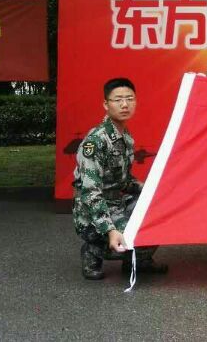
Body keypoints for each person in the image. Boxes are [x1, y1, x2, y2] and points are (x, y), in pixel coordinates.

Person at [72, 77, 168, 280]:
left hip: (117, 202)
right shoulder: (96, 142)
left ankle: (138, 260)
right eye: (118, 100)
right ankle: (93, 251)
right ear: (106, 104)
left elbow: (124, 182)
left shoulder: (125, 137)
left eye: (129, 99)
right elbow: (90, 192)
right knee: (129, 234)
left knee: (160, 210)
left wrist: (155, 190)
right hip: (92, 211)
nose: (125, 104)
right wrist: (110, 230)